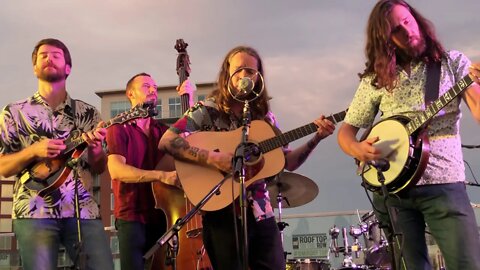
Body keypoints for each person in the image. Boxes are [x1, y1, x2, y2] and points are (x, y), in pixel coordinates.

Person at [158, 45, 336, 270]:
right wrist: (212, 159)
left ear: (258, 77)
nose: (245, 76)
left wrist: (316, 139)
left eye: (251, 71)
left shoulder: (265, 118)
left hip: (262, 213)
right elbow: (167, 141)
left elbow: (287, 161)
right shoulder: (206, 110)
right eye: (239, 69)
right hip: (221, 213)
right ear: (227, 75)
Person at [337, 1, 480, 269]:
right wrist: (357, 149)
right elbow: (346, 131)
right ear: (384, 39)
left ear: (416, 18)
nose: (407, 31)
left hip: (444, 185)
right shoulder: (375, 79)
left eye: (407, 21)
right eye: (396, 30)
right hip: (393, 193)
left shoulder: (453, 63)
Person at [0, 38, 114, 270]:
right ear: (34, 68)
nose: (49, 58)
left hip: (83, 211)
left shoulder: (89, 113)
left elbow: (100, 167)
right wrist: (33, 150)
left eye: (56, 55)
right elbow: (3, 166)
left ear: (68, 68)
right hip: (33, 210)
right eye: (43, 55)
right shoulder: (14, 112)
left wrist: (94, 150)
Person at [105, 72, 193, 270]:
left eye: (155, 86)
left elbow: (189, 142)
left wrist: (190, 100)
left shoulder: (162, 131)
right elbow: (117, 171)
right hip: (131, 217)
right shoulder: (118, 128)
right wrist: (161, 175)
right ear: (130, 93)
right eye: (146, 86)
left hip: (163, 215)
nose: (153, 90)